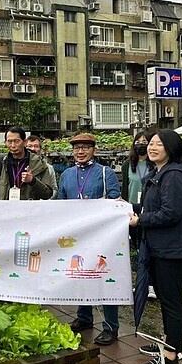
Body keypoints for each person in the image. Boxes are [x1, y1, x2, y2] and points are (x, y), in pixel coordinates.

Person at [128, 129, 182, 364]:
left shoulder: (174, 175)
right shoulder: (158, 173)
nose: (151, 148)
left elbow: (170, 213)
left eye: (158, 144)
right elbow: (153, 206)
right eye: (150, 143)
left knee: (172, 300)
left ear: (171, 149)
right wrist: (129, 208)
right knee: (165, 296)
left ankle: (171, 358)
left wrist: (139, 221)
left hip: (175, 249)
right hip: (164, 246)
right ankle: (168, 341)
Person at [58, 132, 121, 346]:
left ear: (94, 149)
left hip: (102, 235)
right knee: (80, 274)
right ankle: (84, 317)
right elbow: (61, 203)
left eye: (85, 147)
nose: (80, 151)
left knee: (103, 278)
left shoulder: (106, 172)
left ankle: (111, 327)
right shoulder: (66, 174)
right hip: (76, 236)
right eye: (76, 148)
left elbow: (115, 199)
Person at [121, 130, 157, 299]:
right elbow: (126, 188)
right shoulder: (128, 164)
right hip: (132, 209)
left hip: (148, 209)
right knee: (137, 247)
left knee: (148, 247)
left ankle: (151, 284)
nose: (141, 144)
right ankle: (140, 283)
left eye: (145, 141)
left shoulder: (154, 165)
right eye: (138, 141)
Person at [0, 126, 53, 200]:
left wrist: (33, 181)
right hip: (7, 209)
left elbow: (48, 194)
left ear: (25, 142)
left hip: (30, 209)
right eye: (9, 141)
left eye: (16, 141)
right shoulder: (2, 164)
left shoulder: (38, 163)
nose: (13, 145)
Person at [25, 135, 58, 199]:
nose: (33, 149)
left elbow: (54, 189)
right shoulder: (21, 167)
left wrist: (45, 202)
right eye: (30, 146)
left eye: (36, 146)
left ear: (40, 149)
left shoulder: (48, 168)